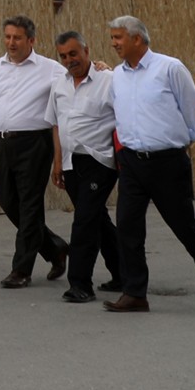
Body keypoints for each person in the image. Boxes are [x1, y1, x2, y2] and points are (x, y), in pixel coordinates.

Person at [104, 14, 195, 314]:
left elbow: (192, 110)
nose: (113, 43)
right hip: (132, 163)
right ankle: (135, 293)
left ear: (137, 38)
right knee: (128, 228)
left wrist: (181, 141)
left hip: (167, 163)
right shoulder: (118, 76)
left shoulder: (169, 68)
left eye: (118, 37)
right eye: (112, 38)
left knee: (185, 227)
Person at [0, 14, 69, 288]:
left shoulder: (51, 69)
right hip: (4, 143)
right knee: (7, 200)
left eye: (17, 37)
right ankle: (55, 248)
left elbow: (78, 77)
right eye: (7, 37)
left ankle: (21, 270)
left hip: (35, 144)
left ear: (31, 40)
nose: (11, 42)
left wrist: (100, 68)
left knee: (29, 204)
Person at [49, 30, 120, 303]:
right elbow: (56, 125)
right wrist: (57, 164)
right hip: (70, 162)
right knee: (97, 219)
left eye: (74, 54)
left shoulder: (109, 80)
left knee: (84, 222)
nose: (69, 60)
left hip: (99, 160)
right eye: (64, 56)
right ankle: (122, 272)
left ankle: (80, 284)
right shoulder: (59, 85)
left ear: (86, 51)